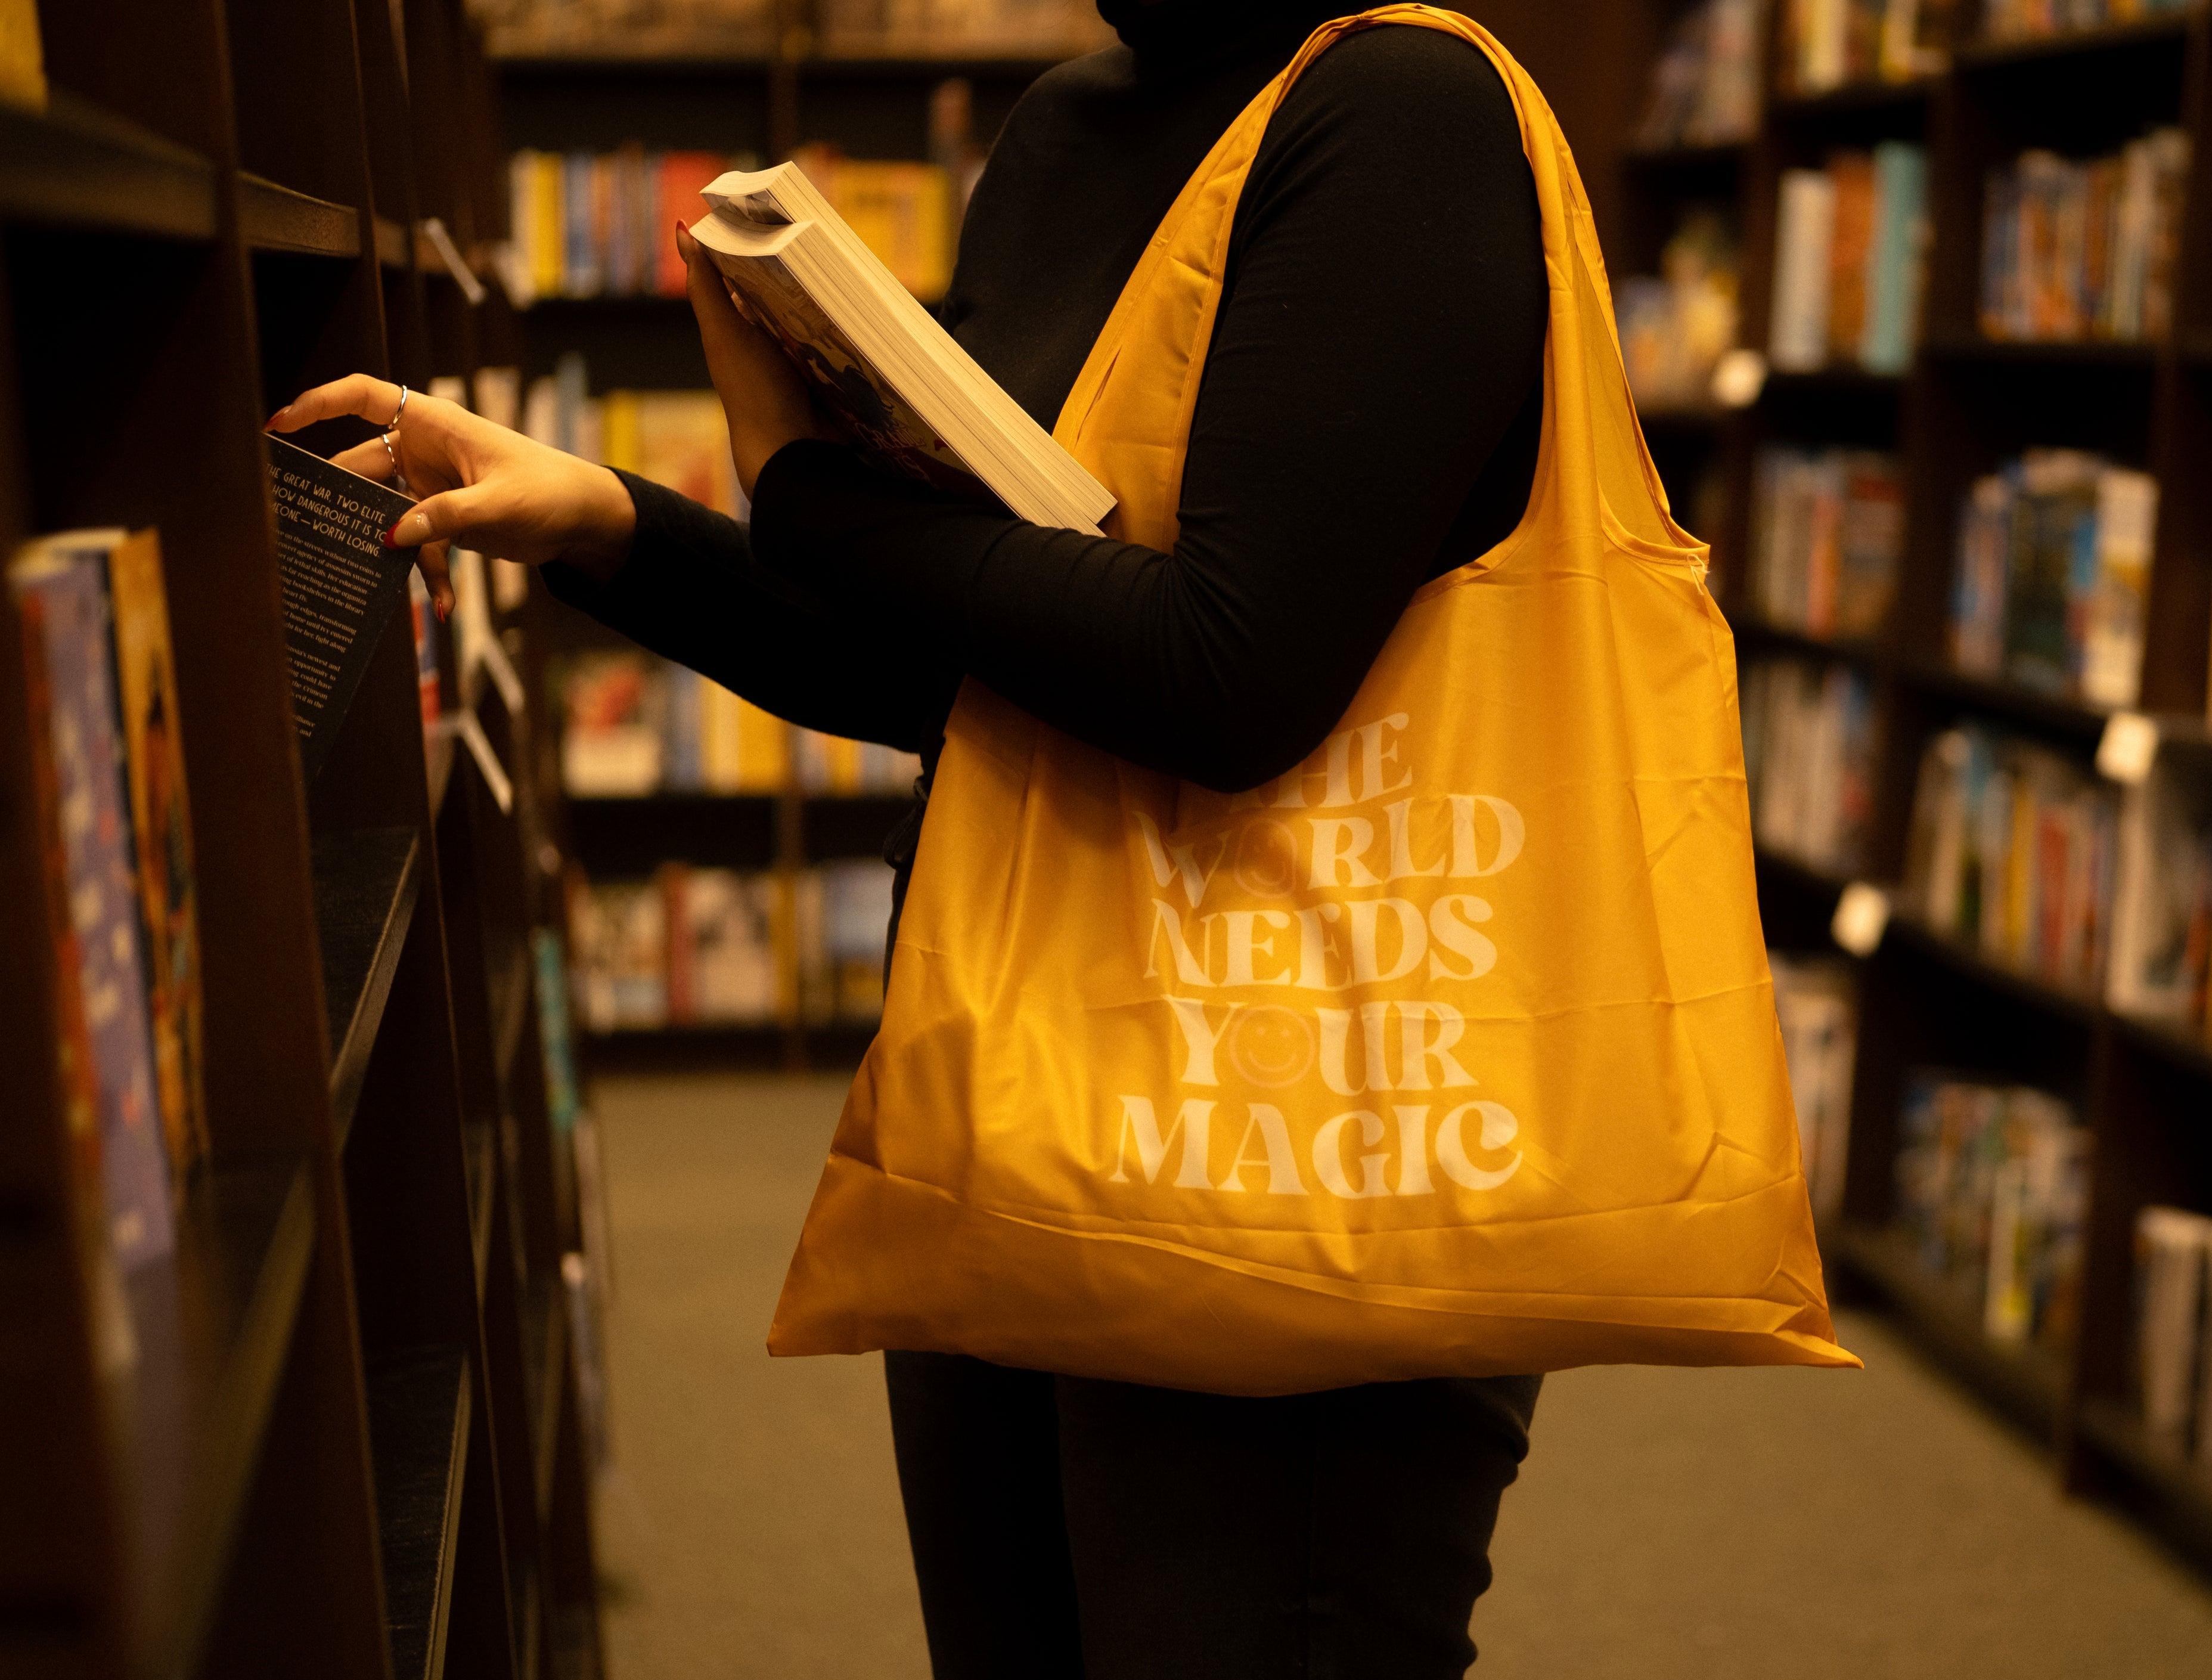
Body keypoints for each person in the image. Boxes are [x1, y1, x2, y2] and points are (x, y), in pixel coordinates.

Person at [272, 4, 1555, 1672]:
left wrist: (800, 487)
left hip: (1299, 1125)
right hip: (1002, 1073)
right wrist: (607, 519)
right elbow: (955, 666)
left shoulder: (1401, 113)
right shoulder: (1063, 133)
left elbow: (1228, 677)